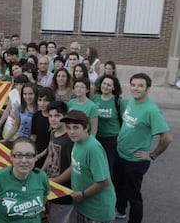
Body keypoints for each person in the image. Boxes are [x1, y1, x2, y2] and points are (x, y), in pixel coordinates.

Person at [115, 73, 172, 222]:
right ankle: (120, 210)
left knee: (133, 195)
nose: (136, 88)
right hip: (120, 154)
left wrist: (152, 155)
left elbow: (166, 138)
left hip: (135, 162)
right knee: (119, 187)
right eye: (133, 85)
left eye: (140, 86)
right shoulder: (132, 102)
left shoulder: (151, 110)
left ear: (148, 89)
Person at [0, 137, 50, 223]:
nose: (24, 160)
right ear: (11, 157)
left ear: (35, 157)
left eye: (29, 155)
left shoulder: (41, 176)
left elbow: (43, 199)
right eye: (18, 155)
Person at [62, 110, 116, 223]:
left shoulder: (93, 148)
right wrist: (55, 181)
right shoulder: (77, 141)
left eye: (76, 127)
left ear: (86, 128)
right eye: (68, 127)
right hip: (82, 206)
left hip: (96, 211)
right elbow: (75, 166)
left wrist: (82, 194)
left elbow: (104, 181)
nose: (71, 132)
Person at [42, 101, 74, 223]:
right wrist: (42, 172)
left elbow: (73, 168)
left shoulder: (70, 138)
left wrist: (54, 181)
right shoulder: (53, 133)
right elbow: (50, 154)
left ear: (65, 116)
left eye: (57, 116)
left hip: (64, 190)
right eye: (50, 116)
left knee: (58, 219)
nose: (53, 119)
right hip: (51, 183)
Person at [92, 75, 125, 183]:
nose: (105, 86)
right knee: (97, 166)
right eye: (104, 83)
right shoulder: (95, 98)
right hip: (96, 137)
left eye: (109, 85)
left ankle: (109, 191)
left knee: (109, 167)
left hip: (112, 139)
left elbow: (125, 121)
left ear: (113, 88)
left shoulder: (118, 101)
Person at [0, 74, 28, 144]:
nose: (19, 86)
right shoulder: (13, 93)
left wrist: (14, 116)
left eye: (22, 84)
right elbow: (8, 109)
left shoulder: (29, 96)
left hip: (22, 128)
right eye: (17, 84)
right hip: (9, 124)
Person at [30, 87, 55, 167]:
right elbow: (34, 135)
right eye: (40, 100)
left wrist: (40, 155)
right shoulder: (36, 115)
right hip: (36, 151)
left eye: (46, 100)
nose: (42, 103)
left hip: (50, 154)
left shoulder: (54, 119)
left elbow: (53, 143)